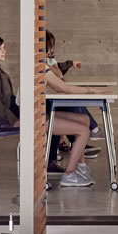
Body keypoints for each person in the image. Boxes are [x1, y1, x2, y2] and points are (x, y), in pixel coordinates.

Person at [40, 55, 98, 187]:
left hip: (42, 114)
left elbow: (59, 80)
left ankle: (81, 166)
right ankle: (69, 175)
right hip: (36, 119)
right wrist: (91, 90)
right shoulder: (36, 68)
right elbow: (64, 88)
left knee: (84, 119)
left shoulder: (40, 66)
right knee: (83, 131)